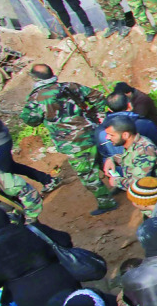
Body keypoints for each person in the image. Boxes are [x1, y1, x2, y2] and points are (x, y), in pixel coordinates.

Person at [20, 64, 117, 214]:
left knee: (87, 174)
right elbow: (97, 96)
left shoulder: (36, 98)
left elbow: (31, 120)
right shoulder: (69, 86)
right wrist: (101, 119)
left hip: (72, 142)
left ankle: (106, 202)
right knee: (105, 159)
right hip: (93, 133)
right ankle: (120, 184)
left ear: (35, 78)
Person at [102, 114, 157, 197]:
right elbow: (131, 160)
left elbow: (138, 185)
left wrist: (116, 181)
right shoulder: (133, 145)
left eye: (111, 135)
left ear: (125, 135)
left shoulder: (144, 150)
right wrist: (112, 159)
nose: (107, 138)